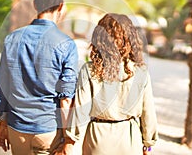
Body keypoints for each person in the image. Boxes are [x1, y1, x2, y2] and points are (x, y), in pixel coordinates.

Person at [0, 0, 79, 155]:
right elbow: (65, 99)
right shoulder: (66, 44)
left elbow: (3, 85)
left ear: (35, 4)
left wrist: (3, 122)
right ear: (61, 6)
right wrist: (67, 138)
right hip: (48, 129)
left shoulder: (12, 39)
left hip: (17, 127)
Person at [62, 13, 158, 155]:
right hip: (130, 140)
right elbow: (148, 113)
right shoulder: (140, 72)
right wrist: (148, 144)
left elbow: (80, 111)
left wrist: (70, 141)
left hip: (98, 140)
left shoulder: (89, 70)